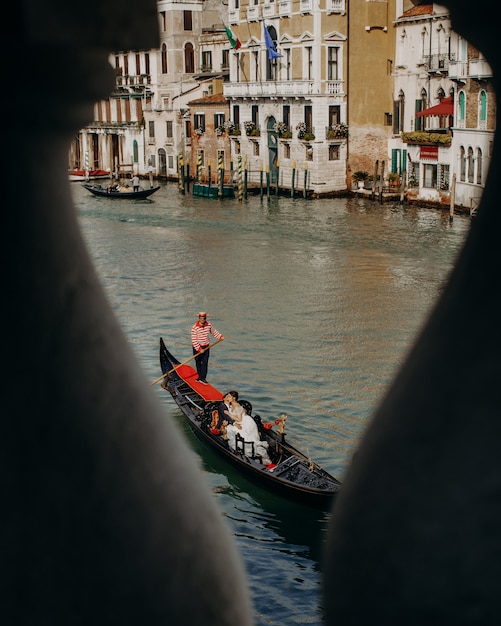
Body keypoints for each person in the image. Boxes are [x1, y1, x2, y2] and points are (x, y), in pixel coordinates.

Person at [222, 391, 272, 465]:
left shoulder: (236, 405)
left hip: (245, 422)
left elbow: (239, 419)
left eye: (229, 397)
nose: (227, 398)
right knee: (230, 428)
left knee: (231, 430)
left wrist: (229, 414)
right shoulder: (232, 405)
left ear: (234, 398)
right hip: (243, 421)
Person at [191, 312, 224, 384]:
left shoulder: (208, 325)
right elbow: (194, 340)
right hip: (197, 347)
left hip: (206, 346)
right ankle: (199, 377)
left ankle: (203, 378)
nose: (203, 320)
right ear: (199, 318)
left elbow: (214, 332)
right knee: (198, 362)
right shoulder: (194, 327)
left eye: (204, 318)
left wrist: (220, 336)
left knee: (205, 363)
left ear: (205, 318)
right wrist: (199, 349)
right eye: (201, 318)